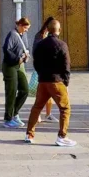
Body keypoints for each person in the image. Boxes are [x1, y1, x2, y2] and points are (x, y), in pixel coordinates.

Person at [25, 19, 76, 147]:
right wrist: (66, 83)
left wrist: (41, 74)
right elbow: (66, 66)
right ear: (59, 30)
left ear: (47, 29)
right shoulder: (62, 45)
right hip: (57, 81)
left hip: (43, 81)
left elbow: (35, 62)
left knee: (37, 107)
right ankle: (62, 136)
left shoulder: (40, 45)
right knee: (65, 108)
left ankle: (29, 134)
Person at [2, 18, 31, 128]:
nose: (26, 30)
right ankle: (8, 118)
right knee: (11, 91)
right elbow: (6, 50)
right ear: (19, 25)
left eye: (27, 29)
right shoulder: (12, 34)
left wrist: (25, 56)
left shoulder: (23, 35)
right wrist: (16, 59)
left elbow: (25, 48)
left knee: (25, 90)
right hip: (10, 66)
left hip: (20, 65)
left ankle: (14, 112)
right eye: (25, 27)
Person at [32, 17, 57, 123]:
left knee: (49, 93)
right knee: (41, 93)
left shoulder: (52, 36)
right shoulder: (39, 36)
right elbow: (36, 52)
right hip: (42, 68)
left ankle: (48, 114)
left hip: (50, 68)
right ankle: (38, 114)